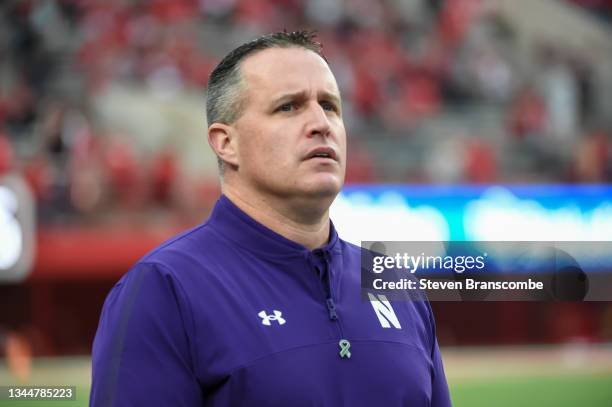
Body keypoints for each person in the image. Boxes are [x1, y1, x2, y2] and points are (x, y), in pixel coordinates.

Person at [90, 30, 451, 407]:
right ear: (226, 142)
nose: (320, 123)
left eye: (329, 106)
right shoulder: (164, 289)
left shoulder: (392, 281)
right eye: (289, 107)